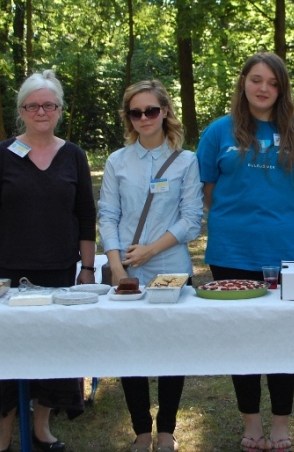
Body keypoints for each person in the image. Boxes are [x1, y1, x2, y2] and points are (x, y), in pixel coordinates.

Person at [197, 52, 294, 452]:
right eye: (256, 79)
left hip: (290, 250)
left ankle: (281, 424)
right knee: (243, 338)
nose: (263, 88)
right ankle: (251, 421)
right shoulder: (218, 131)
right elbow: (208, 191)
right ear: (243, 83)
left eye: (272, 82)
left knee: (286, 337)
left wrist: (278, 222)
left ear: (282, 88)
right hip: (232, 250)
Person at [0, 70, 96, 452]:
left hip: (59, 272)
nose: (41, 112)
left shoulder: (74, 156)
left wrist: (87, 268)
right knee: (6, 354)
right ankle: (3, 433)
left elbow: (85, 216)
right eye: (32, 106)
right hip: (8, 273)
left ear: (59, 109)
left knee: (54, 352)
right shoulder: (1, 155)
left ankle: (41, 428)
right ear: (21, 110)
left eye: (48, 105)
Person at [98, 79, 203, 452]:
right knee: (131, 352)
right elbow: (108, 215)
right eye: (136, 113)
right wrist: (117, 266)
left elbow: (192, 219)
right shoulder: (117, 161)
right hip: (127, 270)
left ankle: (166, 430)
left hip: (172, 268)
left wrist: (150, 251)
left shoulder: (186, 161)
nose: (144, 118)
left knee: (172, 352)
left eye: (151, 110)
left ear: (165, 112)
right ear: (128, 118)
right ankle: (142, 431)